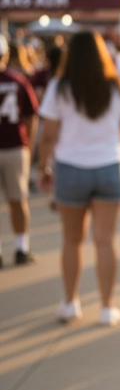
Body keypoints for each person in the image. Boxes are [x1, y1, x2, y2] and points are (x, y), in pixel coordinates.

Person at [36, 30, 120, 325]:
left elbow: (49, 135)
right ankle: (107, 308)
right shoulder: (117, 85)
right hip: (109, 165)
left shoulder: (59, 87)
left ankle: (70, 303)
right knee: (105, 241)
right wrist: (106, 138)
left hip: (70, 166)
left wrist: (44, 167)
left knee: (72, 240)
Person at [0, 34, 39, 268]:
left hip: (14, 145)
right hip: (15, 145)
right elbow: (31, 116)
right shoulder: (19, 80)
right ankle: (21, 247)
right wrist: (29, 145)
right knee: (18, 200)